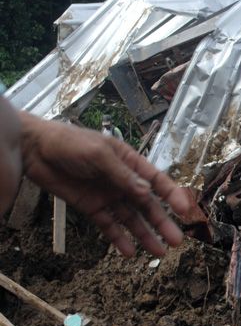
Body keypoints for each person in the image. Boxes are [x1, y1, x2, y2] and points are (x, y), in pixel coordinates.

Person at [1, 92, 189, 257]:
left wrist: (28, 136)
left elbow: (118, 144)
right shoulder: (103, 131)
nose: (106, 126)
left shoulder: (115, 131)